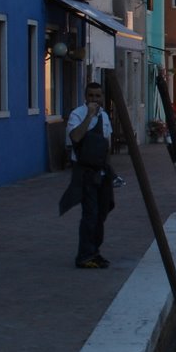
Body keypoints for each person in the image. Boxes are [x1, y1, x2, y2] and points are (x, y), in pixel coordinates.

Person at [59, 82, 115, 269]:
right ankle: (84, 255)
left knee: (102, 213)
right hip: (84, 171)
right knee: (90, 214)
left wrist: (108, 169)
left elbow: (107, 144)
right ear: (85, 97)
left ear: (102, 97)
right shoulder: (78, 114)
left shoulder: (105, 116)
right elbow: (75, 137)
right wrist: (89, 116)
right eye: (91, 96)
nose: (94, 100)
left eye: (98, 96)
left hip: (101, 171)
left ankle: (95, 252)